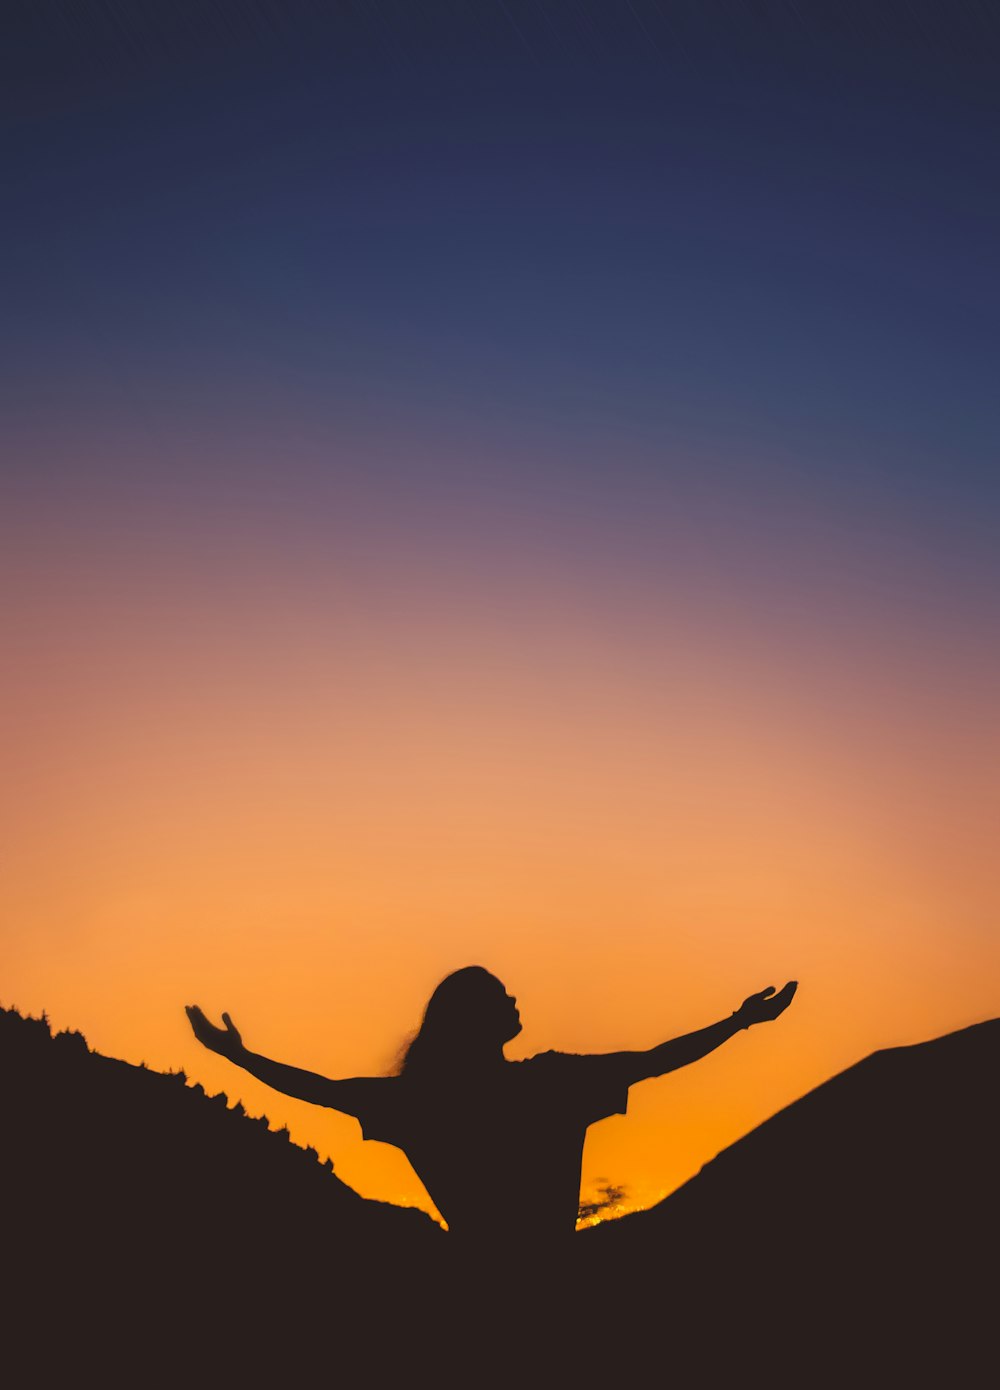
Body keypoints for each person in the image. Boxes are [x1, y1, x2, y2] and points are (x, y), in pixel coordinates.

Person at [185, 967, 796, 1249]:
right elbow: (657, 1059)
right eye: (500, 994)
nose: (514, 997)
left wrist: (238, 1058)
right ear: (477, 1019)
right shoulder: (554, 1082)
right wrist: (740, 1023)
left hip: (475, 1301)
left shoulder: (420, 1102)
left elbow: (320, 1089)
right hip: (546, 1302)